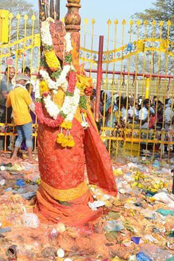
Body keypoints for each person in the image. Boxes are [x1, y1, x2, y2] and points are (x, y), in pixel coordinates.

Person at [34, 15, 117, 226]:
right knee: (53, 163)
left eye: (60, 46)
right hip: (50, 129)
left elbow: (84, 94)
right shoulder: (42, 78)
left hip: (72, 127)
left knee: (70, 164)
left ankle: (70, 200)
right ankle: (53, 198)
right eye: (52, 48)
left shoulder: (75, 74)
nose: (57, 54)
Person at [6, 74, 35, 160]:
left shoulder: (11, 92)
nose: (25, 83)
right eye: (25, 81)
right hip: (25, 117)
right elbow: (31, 104)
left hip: (16, 118)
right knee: (28, 137)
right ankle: (30, 157)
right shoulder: (23, 91)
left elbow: (7, 105)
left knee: (20, 137)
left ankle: (14, 155)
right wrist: (38, 114)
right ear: (21, 81)